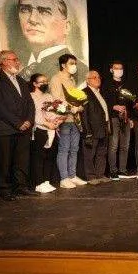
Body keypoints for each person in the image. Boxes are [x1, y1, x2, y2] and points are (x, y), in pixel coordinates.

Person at [16, 0, 88, 85]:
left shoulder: (81, 72)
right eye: (25, 10)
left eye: (44, 12)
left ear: (66, 26)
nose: (32, 19)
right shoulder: (19, 68)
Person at [0, 50, 37, 200]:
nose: (18, 62)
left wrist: (29, 120)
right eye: (14, 59)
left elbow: (30, 103)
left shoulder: (20, 80)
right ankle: (5, 189)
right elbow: (0, 107)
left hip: (24, 128)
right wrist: (18, 123)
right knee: (5, 161)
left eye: (17, 59)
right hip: (6, 128)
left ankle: (21, 186)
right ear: (4, 62)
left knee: (22, 160)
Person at [50, 53, 87, 189]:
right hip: (64, 119)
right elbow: (56, 100)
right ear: (63, 65)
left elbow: (75, 97)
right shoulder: (56, 79)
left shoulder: (71, 80)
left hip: (75, 119)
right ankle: (64, 178)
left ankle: (72, 175)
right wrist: (71, 108)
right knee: (64, 148)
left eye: (75, 63)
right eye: (71, 63)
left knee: (74, 148)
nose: (74, 66)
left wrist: (80, 106)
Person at [30, 73, 62, 193]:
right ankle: (38, 183)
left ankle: (46, 181)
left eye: (46, 81)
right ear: (35, 84)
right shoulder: (31, 96)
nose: (45, 83)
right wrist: (45, 123)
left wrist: (56, 120)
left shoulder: (49, 96)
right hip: (39, 129)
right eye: (42, 82)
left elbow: (53, 111)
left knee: (49, 156)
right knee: (39, 157)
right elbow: (34, 115)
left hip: (51, 129)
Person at [102, 60, 133, 180]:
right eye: (116, 68)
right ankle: (113, 171)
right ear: (111, 70)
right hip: (113, 117)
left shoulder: (126, 84)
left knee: (125, 145)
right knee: (114, 145)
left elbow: (130, 102)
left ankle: (122, 170)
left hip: (125, 117)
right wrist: (113, 106)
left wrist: (130, 117)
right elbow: (103, 101)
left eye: (121, 68)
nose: (119, 70)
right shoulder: (106, 84)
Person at [81, 70, 110, 185]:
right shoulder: (84, 93)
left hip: (103, 127)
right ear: (87, 80)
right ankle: (90, 176)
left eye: (98, 77)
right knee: (90, 153)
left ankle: (100, 174)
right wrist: (87, 131)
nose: (98, 79)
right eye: (94, 77)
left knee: (101, 152)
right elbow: (84, 114)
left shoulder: (99, 92)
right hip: (92, 129)